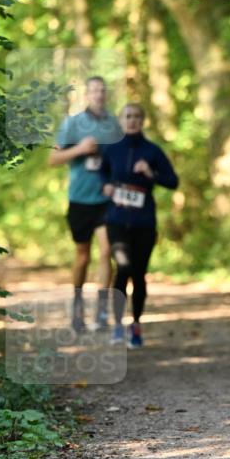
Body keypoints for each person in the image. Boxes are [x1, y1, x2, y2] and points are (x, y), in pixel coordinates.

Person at [99, 104, 178, 348]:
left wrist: (150, 172)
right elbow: (102, 173)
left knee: (138, 274)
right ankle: (117, 326)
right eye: (127, 117)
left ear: (142, 120)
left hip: (144, 221)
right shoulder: (111, 149)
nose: (132, 121)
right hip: (117, 220)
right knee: (122, 267)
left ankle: (136, 324)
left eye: (136, 116)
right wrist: (107, 186)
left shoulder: (152, 151)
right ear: (121, 121)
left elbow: (172, 181)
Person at [49, 76, 122, 332]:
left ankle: (101, 313)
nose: (99, 95)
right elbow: (53, 158)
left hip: (106, 199)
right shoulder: (72, 124)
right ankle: (77, 307)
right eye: (94, 91)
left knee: (106, 251)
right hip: (80, 199)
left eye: (102, 91)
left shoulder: (115, 125)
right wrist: (79, 149)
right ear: (87, 95)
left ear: (106, 94)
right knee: (82, 256)